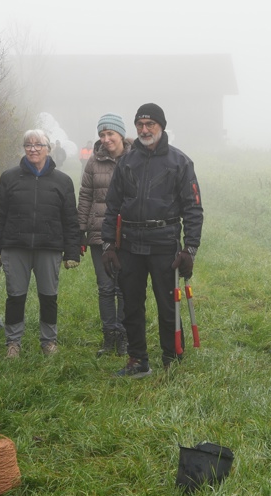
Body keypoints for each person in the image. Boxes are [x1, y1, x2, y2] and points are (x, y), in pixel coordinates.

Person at [101, 103, 204, 377]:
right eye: (140, 125)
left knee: (168, 305)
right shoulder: (126, 162)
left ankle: (171, 357)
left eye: (150, 125)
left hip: (164, 243)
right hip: (130, 245)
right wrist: (109, 244)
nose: (145, 130)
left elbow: (193, 208)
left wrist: (190, 249)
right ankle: (137, 360)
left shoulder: (180, 162)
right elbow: (112, 206)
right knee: (131, 305)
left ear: (161, 126)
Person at [0, 129, 81, 357]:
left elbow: (70, 219)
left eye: (38, 144)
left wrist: (72, 252)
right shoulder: (9, 177)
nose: (33, 149)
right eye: (28, 144)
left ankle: (48, 341)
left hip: (49, 247)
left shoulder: (63, 181)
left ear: (48, 148)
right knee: (15, 296)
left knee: (49, 296)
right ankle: (13, 343)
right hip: (14, 246)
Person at [77, 114, 132, 357]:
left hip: (129, 234)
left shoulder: (136, 159)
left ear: (121, 134)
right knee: (106, 287)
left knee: (126, 287)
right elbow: (86, 196)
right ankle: (109, 336)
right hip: (99, 233)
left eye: (110, 134)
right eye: (102, 134)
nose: (106, 139)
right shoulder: (93, 162)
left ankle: (125, 336)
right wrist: (80, 230)